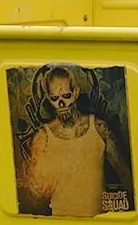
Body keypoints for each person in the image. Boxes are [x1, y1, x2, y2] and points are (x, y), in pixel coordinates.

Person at [18, 66, 132, 217]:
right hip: (61, 222)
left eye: (66, 96)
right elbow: (38, 193)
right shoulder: (43, 137)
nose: (61, 104)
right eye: (55, 99)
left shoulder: (98, 128)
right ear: (48, 99)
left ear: (76, 93)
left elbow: (124, 173)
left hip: (100, 221)